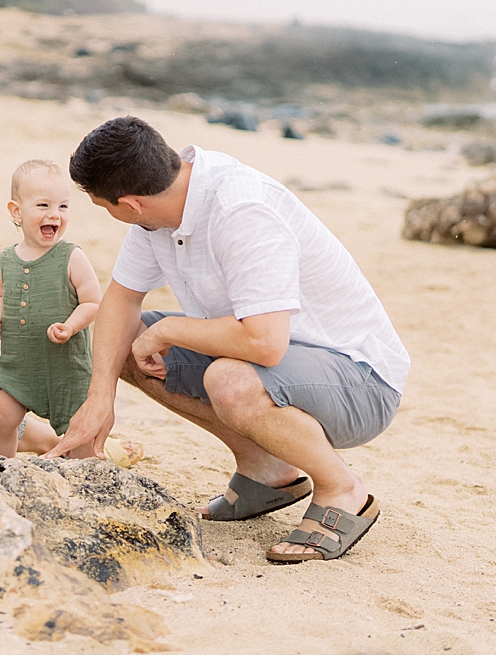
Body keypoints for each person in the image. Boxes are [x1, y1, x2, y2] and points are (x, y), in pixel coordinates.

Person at [48, 116, 409, 563]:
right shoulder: (159, 213)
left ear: (130, 203)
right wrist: (100, 399)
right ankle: (268, 471)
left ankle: (343, 489)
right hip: (281, 364)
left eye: (104, 206)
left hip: (360, 380)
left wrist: (170, 329)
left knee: (229, 379)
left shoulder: (242, 211)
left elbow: (264, 344)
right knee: (125, 342)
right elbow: (120, 302)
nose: (110, 215)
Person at [0, 160, 103, 456]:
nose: (54, 215)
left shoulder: (71, 257)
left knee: (78, 430)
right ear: (16, 212)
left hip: (66, 369)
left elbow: (93, 302)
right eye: (43, 205)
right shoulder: (6, 259)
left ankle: (83, 477)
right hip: (20, 365)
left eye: (63, 207)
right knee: (0, 416)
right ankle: (2, 466)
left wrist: (70, 326)